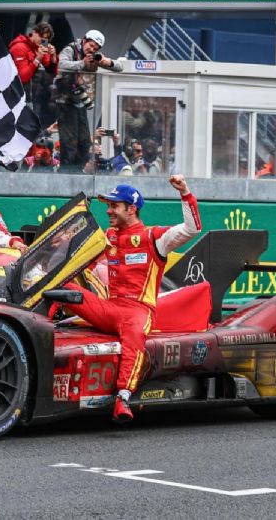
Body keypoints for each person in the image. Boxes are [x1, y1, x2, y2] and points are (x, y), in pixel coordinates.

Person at [61, 176, 201, 423]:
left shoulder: (154, 237)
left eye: (114, 206)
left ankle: (123, 397)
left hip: (138, 311)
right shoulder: (108, 236)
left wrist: (185, 193)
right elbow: (80, 262)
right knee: (59, 286)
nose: (108, 210)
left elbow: (192, 229)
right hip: (108, 307)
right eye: (108, 205)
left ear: (131, 209)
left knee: (134, 339)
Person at [54, 29, 123, 169]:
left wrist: (106, 62)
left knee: (85, 143)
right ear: (84, 40)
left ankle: (78, 174)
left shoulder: (94, 56)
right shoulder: (71, 49)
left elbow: (120, 67)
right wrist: (82, 63)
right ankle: (66, 175)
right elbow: (61, 64)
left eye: (95, 48)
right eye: (90, 45)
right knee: (69, 144)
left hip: (80, 103)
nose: (91, 49)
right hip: (65, 102)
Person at [9, 22, 57, 88]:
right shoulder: (19, 47)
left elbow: (50, 72)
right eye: (40, 36)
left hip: (36, 92)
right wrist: (37, 59)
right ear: (33, 32)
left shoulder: (42, 44)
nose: (42, 40)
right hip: (18, 91)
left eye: (45, 38)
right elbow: (22, 78)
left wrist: (53, 57)